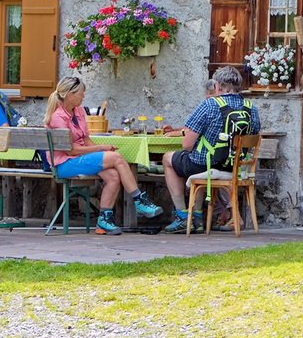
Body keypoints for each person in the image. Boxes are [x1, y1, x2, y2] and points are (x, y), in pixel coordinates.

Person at [41, 72, 163, 235]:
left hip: (78, 159)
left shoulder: (78, 111)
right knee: (117, 158)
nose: (84, 96)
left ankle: (104, 220)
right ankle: (139, 200)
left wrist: (102, 148)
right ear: (70, 95)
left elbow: (86, 139)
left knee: (113, 175)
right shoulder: (58, 118)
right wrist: (100, 149)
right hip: (64, 164)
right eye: (81, 93)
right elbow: (71, 150)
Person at [162, 66, 259, 233]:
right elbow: (255, 134)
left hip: (206, 164)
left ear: (218, 86)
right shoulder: (251, 107)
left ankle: (183, 216)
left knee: (168, 158)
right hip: (233, 166)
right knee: (195, 164)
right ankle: (197, 217)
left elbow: (187, 144)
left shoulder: (209, 104)